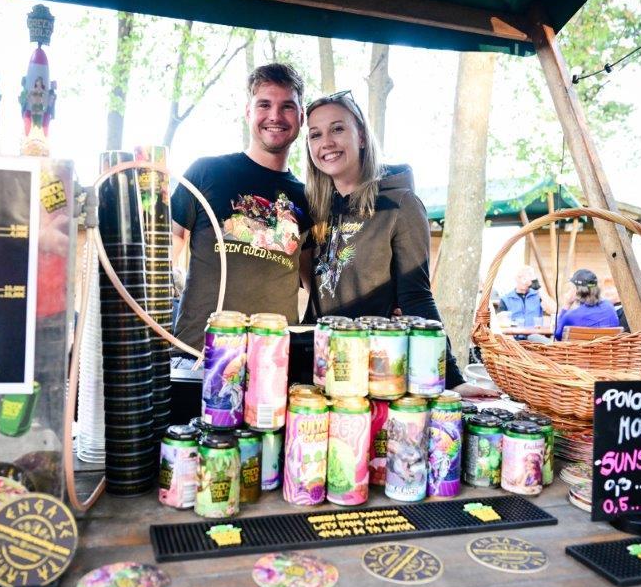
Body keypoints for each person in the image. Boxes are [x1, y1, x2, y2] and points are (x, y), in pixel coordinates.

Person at [304, 89, 496, 398]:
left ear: (361, 136)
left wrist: (452, 378)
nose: (326, 142)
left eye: (337, 129)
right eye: (315, 134)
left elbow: (417, 297)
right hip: (318, 368)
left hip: (376, 374)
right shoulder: (317, 210)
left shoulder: (401, 204)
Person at [171, 63, 313, 351]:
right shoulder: (206, 172)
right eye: (264, 104)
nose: (275, 116)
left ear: (301, 117)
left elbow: (317, 283)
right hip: (198, 355)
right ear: (248, 112)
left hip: (275, 359)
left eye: (287, 106)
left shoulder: (307, 198)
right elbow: (164, 249)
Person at [553, 268, 620, 340]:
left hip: (581, 347)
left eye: (572, 288)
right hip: (607, 346)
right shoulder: (609, 307)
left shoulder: (571, 315)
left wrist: (566, 305)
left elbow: (557, 335)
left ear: (576, 290)